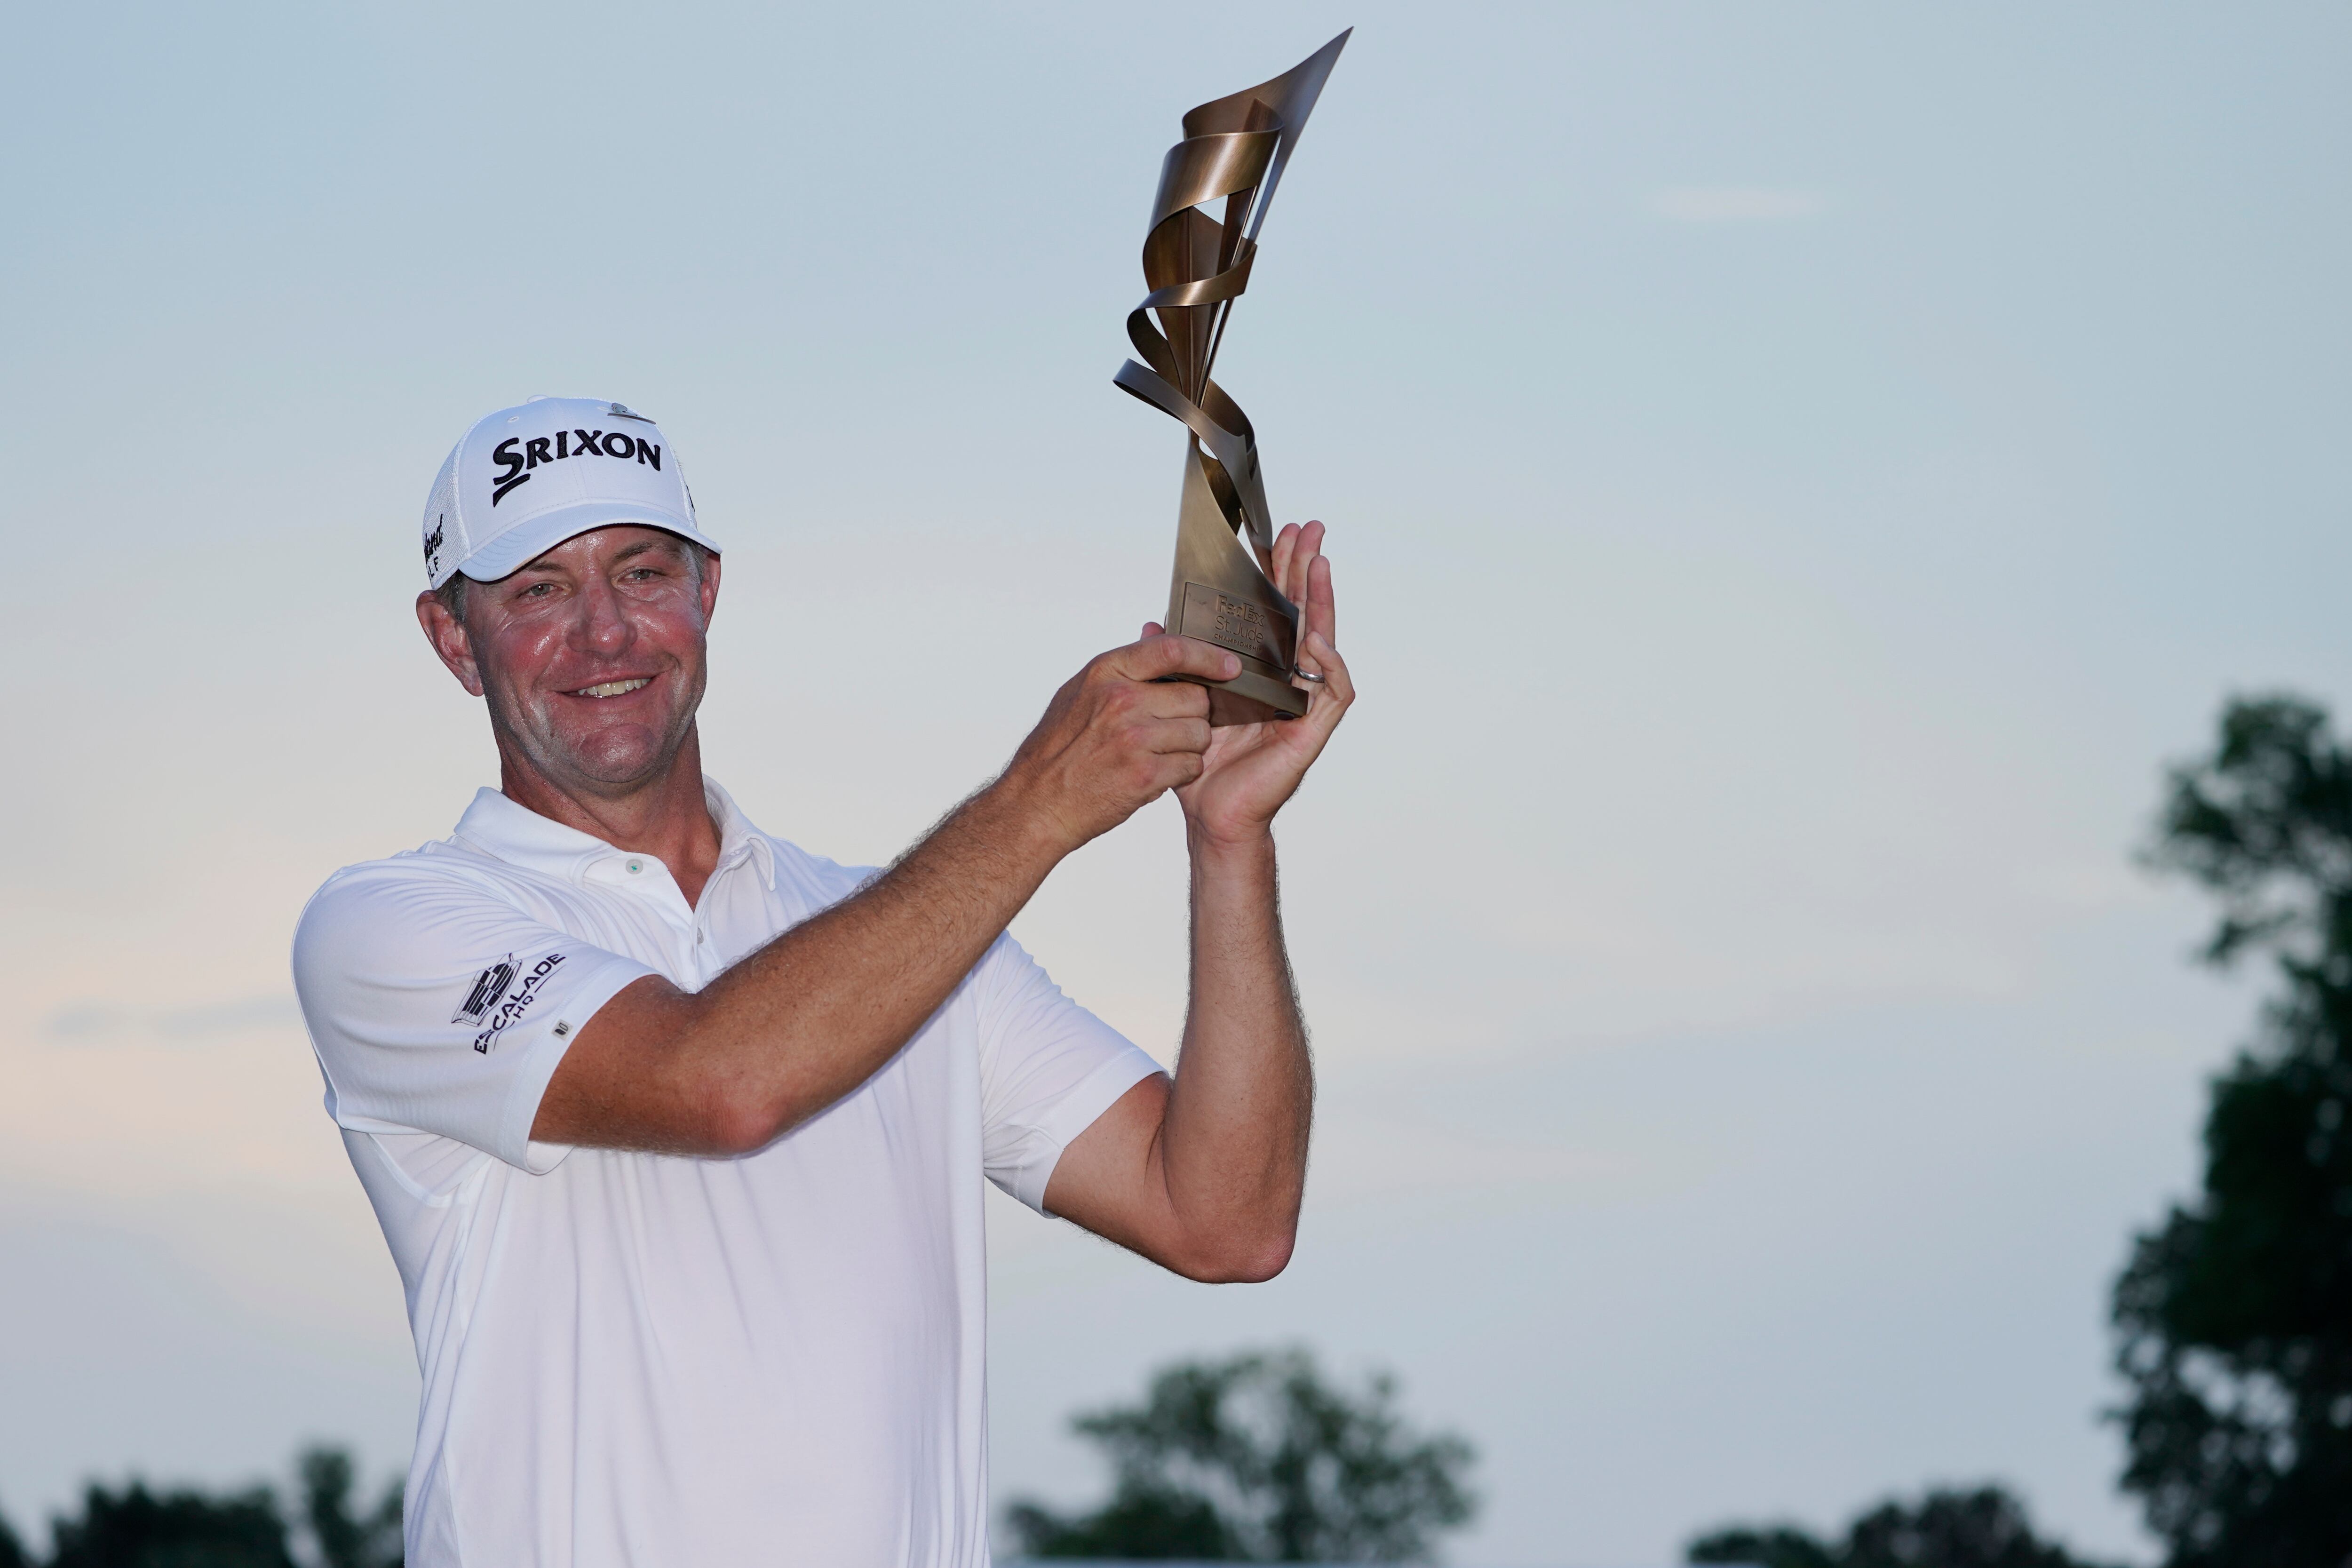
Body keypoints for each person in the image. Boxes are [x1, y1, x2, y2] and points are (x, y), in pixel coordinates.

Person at [291, 396, 1353, 1567]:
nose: (605, 632)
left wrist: (1229, 841)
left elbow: (1223, 1218)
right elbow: (719, 1083)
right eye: (539, 590)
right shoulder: (389, 925)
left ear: (707, 592)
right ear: (454, 639)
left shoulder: (912, 935)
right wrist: (1040, 801)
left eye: (642, 571)